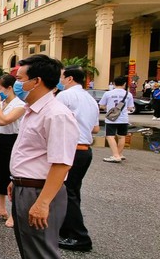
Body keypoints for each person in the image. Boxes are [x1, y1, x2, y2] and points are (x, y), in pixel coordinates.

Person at [8, 54, 79, 259]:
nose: (17, 84)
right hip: (26, 187)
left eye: (20, 79)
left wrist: (43, 202)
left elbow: (62, 163)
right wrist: (17, 179)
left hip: (39, 191)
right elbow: (31, 151)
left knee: (42, 253)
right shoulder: (33, 110)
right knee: (29, 250)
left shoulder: (56, 114)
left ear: (36, 81)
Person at [56, 65, 100, 252]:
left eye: (62, 77)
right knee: (72, 192)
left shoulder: (65, 96)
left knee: (68, 193)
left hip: (72, 150)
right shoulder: (90, 99)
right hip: (85, 150)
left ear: (70, 78)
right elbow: (95, 129)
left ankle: (80, 238)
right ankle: (68, 231)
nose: (60, 80)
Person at [0, 74, 25, 229]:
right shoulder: (1, 103)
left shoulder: (20, 105)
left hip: (13, 141)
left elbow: (4, 120)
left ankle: (15, 214)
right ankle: (1, 209)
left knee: (12, 177)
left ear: (9, 88)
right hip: (0, 140)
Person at [99, 76, 135, 163]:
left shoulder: (108, 94)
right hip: (123, 119)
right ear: (124, 84)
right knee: (122, 136)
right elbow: (130, 108)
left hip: (111, 118)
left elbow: (102, 106)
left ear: (114, 84)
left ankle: (115, 155)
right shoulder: (128, 94)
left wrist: (109, 108)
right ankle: (119, 154)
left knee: (110, 136)